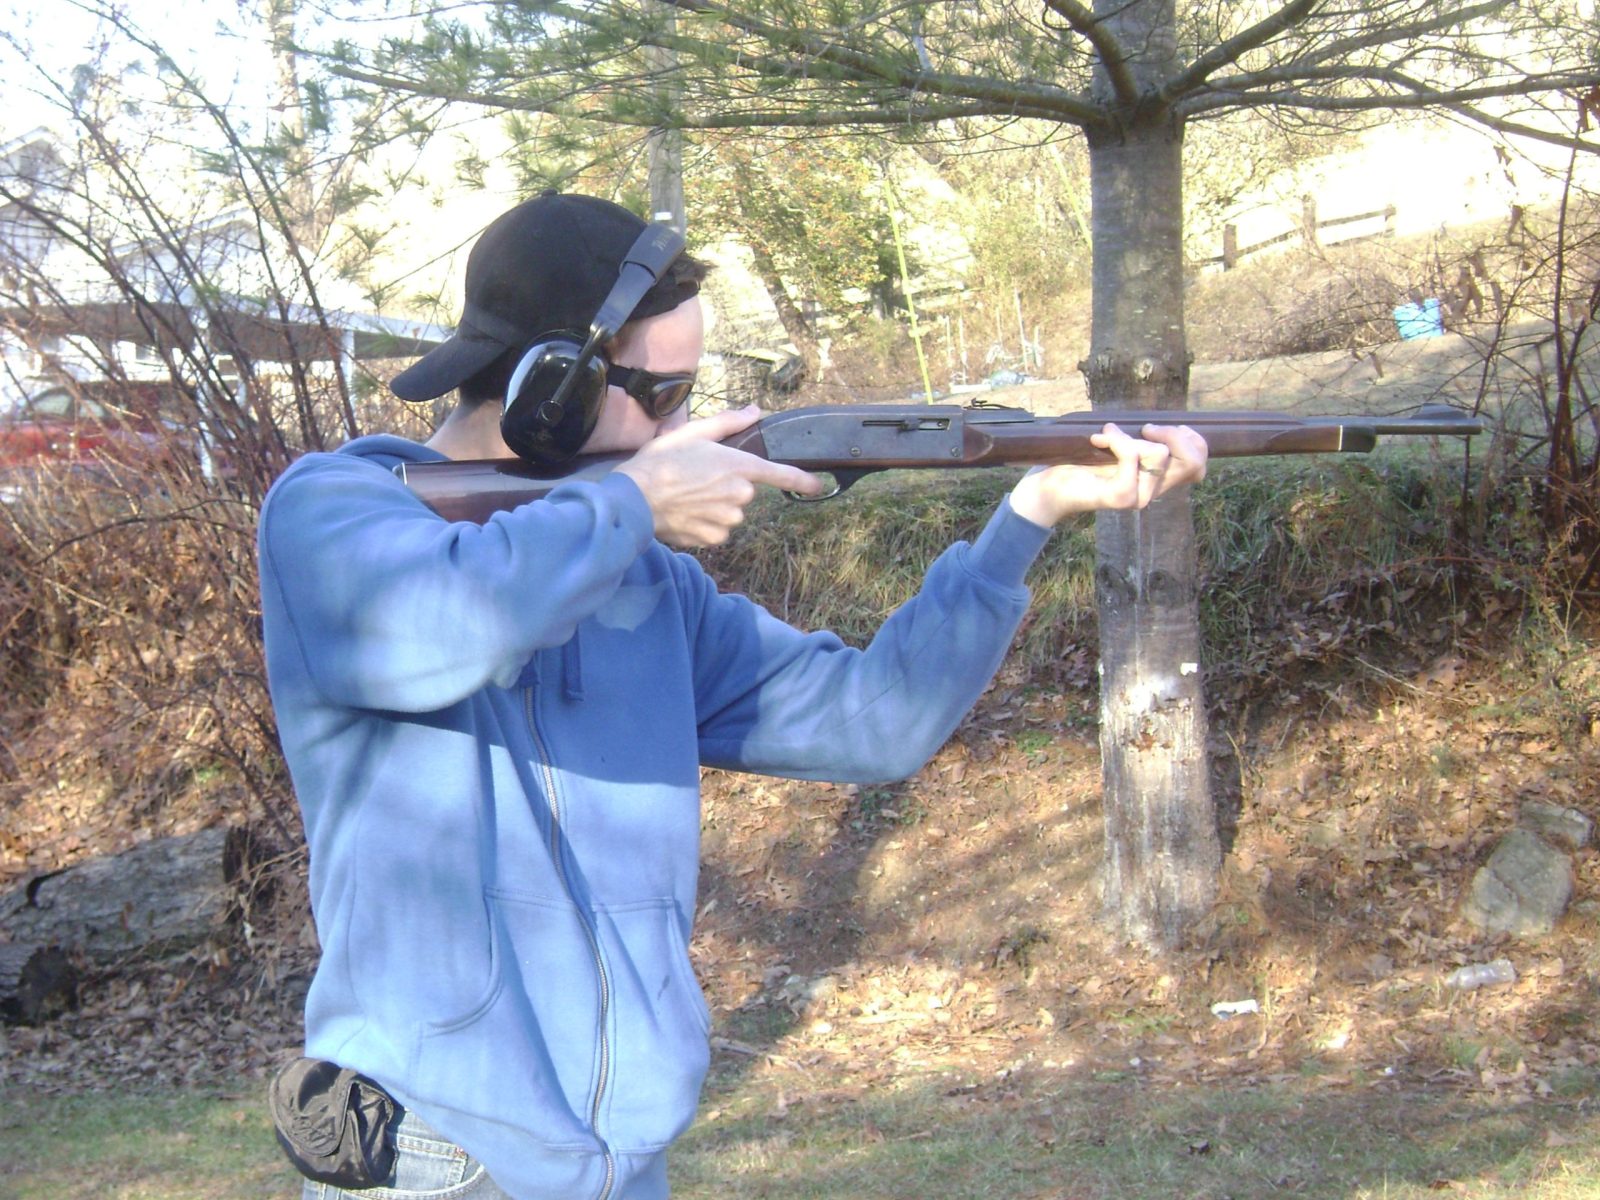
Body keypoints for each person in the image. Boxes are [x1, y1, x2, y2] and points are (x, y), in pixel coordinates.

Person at [257, 192, 1206, 1200]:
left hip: (626, 1166)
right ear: (551, 390)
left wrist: (1032, 510)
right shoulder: (333, 514)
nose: (687, 425)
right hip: (437, 1167)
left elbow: (875, 722)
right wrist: (631, 499)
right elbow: (451, 628)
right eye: (662, 397)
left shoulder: (647, 587)